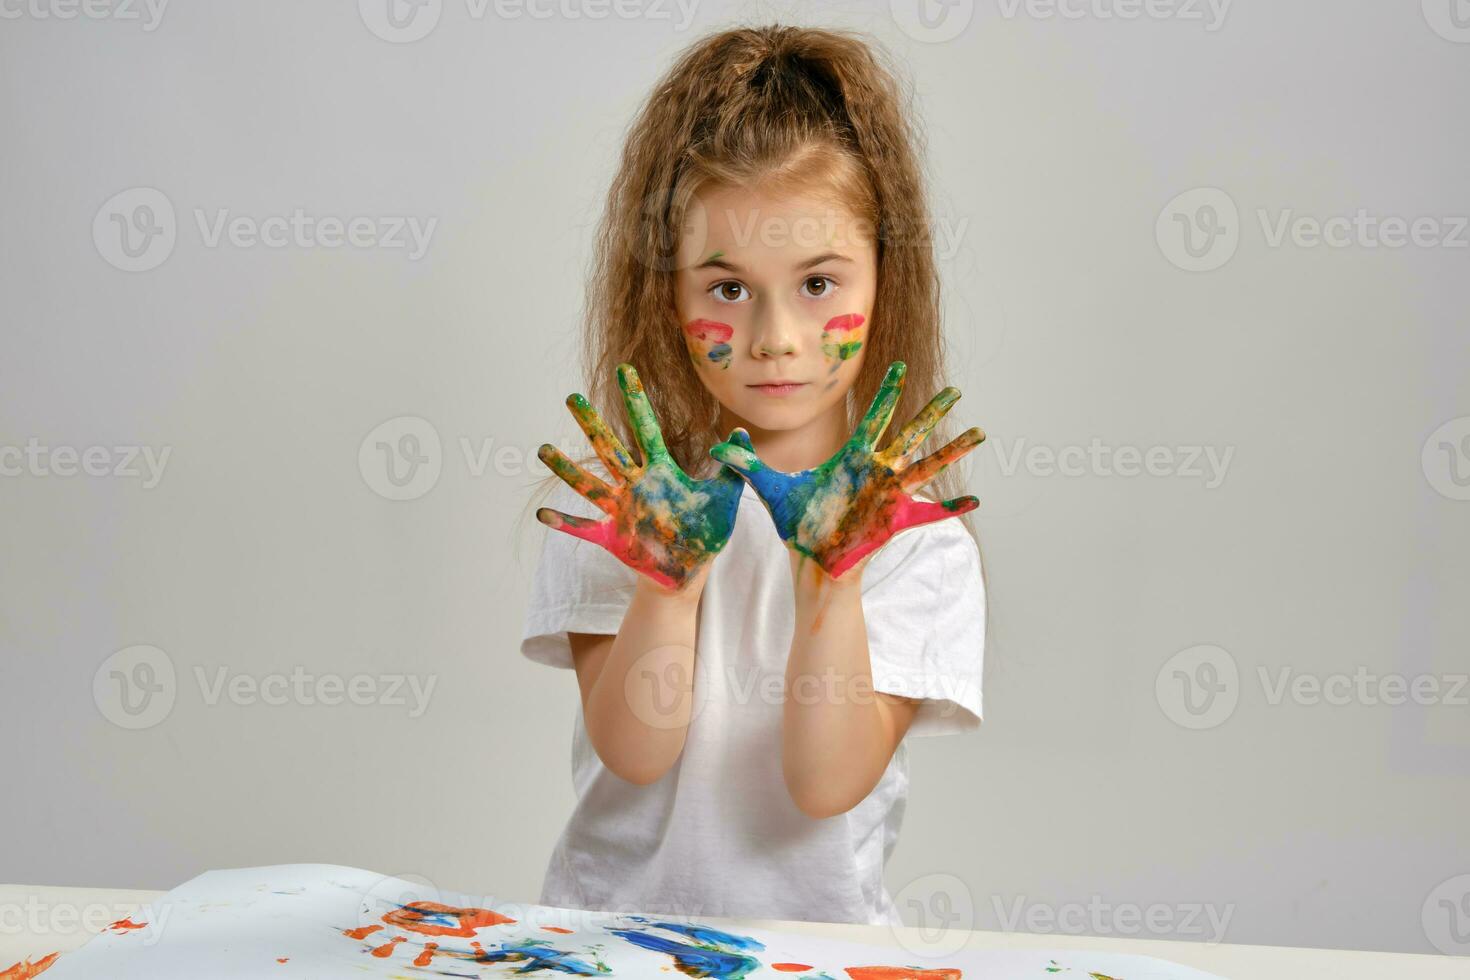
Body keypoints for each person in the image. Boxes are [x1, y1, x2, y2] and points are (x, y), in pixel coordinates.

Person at [518, 23, 987, 927]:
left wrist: (831, 585)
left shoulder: (912, 545)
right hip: (615, 948)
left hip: (816, 955)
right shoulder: (622, 510)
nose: (777, 335)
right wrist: (668, 584)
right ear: (668, 293)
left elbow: (825, 782)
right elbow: (633, 752)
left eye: (818, 284)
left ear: (885, 278)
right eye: (728, 289)